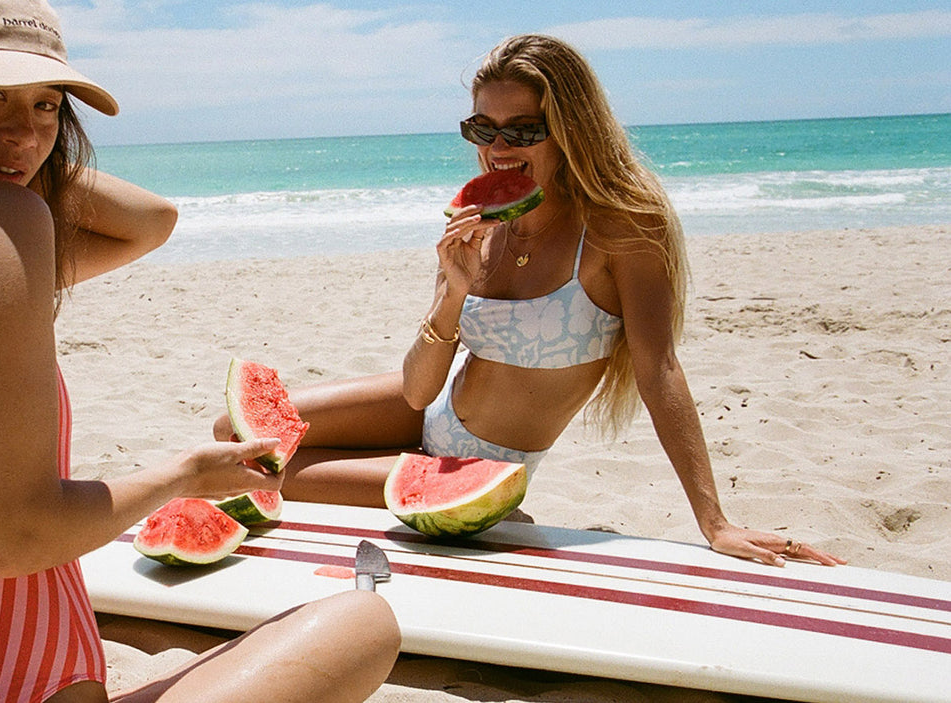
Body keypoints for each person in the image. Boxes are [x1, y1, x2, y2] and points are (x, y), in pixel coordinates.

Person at [0, 1, 399, 701]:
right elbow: (21, 536)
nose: (25, 131)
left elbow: (149, 223)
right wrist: (183, 473)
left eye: (46, 103)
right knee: (363, 621)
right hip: (12, 689)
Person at [214, 34, 844, 569]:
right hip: (429, 407)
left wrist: (715, 521)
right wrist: (453, 289)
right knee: (232, 434)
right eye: (483, 128)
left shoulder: (621, 228)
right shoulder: (482, 219)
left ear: (570, 129)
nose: (498, 148)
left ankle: (485, 512)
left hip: (482, 466)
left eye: (523, 130)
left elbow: (660, 369)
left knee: (240, 472)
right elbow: (415, 389)